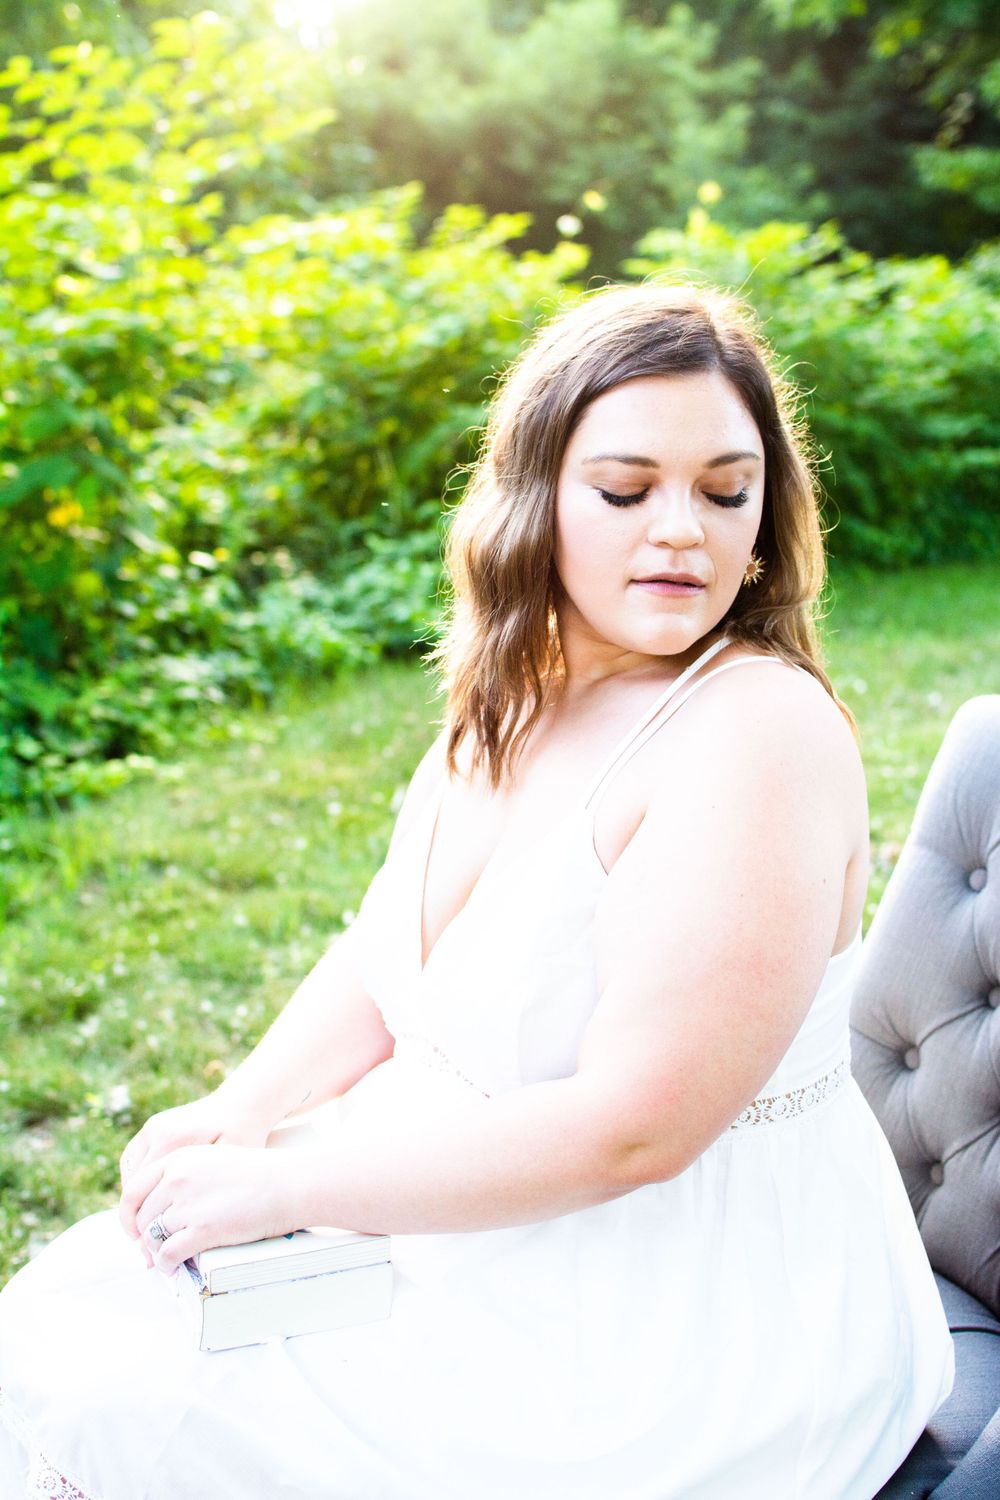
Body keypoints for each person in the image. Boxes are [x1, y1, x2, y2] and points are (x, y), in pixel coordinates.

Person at [0, 283, 953, 1499]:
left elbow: (637, 1131)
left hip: (679, 1309)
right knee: (58, 1324)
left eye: (725, 492)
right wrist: (242, 1108)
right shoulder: (517, 686)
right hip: (471, 1195)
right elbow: (384, 957)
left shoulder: (757, 735)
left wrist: (285, 1184)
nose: (683, 533)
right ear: (533, 496)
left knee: (135, 1412)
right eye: (625, 491)